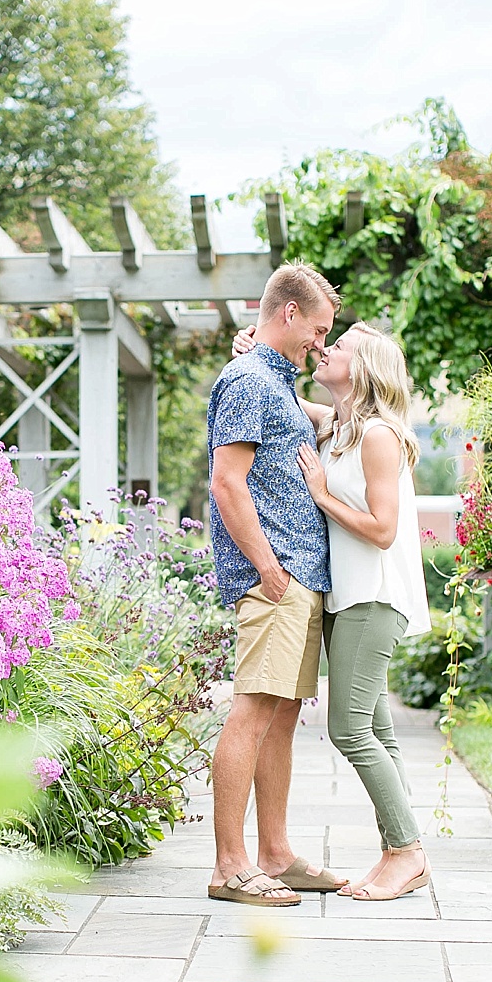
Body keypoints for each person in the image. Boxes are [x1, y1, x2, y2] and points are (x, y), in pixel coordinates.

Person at [204, 263, 344, 907]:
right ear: (289, 314)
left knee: (282, 716)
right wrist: (266, 569)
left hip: (297, 573)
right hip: (275, 576)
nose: (320, 343)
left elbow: (341, 413)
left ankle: (276, 853)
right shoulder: (250, 381)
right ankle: (230, 866)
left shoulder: (276, 383)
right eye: (318, 330)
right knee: (254, 709)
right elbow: (228, 482)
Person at [294, 325, 433, 898]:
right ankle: (399, 852)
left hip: (374, 595)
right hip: (347, 596)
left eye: (340, 346)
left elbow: (382, 530)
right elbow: (284, 397)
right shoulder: (338, 427)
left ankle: (406, 851)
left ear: (364, 368)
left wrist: (324, 496)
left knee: (348, 727)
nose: (326, 349)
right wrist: (258, 353)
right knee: (377, 730)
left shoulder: (378, 435)